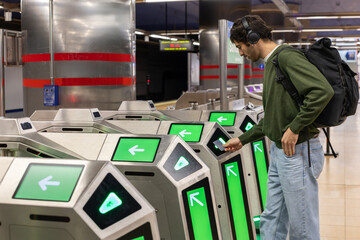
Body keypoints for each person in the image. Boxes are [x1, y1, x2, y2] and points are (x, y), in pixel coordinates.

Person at [223, 15, 334, 240]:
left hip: (298, 153)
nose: (241, 53)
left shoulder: (286, 58)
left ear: (252, 39)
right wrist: (243, 139)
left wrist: (294, 128)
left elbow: (322, 91)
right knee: (271, 219)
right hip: (280, 153)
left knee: (302, 228)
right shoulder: (272, 64)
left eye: (240, 47)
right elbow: (273, 117)